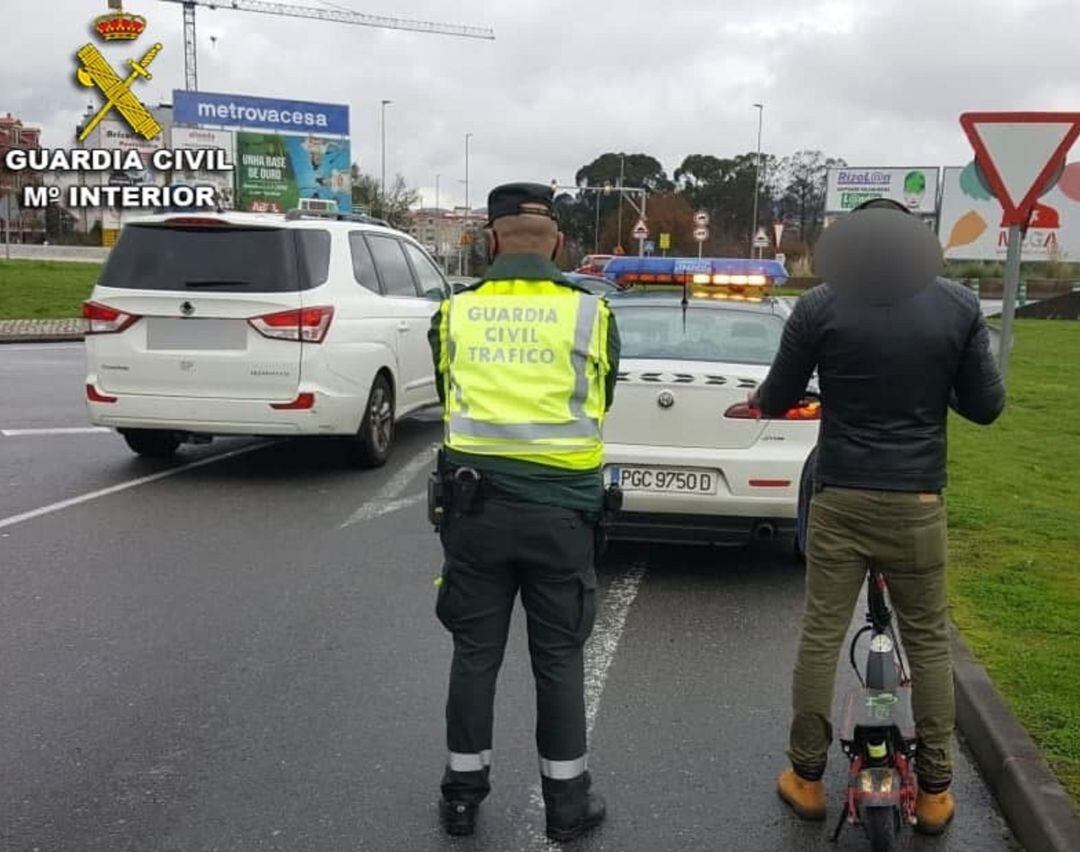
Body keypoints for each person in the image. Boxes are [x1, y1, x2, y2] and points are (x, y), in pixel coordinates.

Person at [753, 197, 1005, 835]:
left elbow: (780, 395)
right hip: (917, 498)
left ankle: (806, 778)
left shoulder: (820, 305)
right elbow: (986, 409)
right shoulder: (957, 305)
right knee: (928, 639)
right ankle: (938, 792)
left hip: (841, 496)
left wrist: (766, 399)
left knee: (820, 636)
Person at [427, 182, 620, 841]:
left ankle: (461, 798)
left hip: (474, 513)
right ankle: (568, 807)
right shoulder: (590, 313)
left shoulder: (456, 310)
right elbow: (603, 396)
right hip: (563, 514)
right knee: (560, 658)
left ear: (489, 241)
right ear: (560, 244)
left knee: (474, 654)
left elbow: (446, 391)